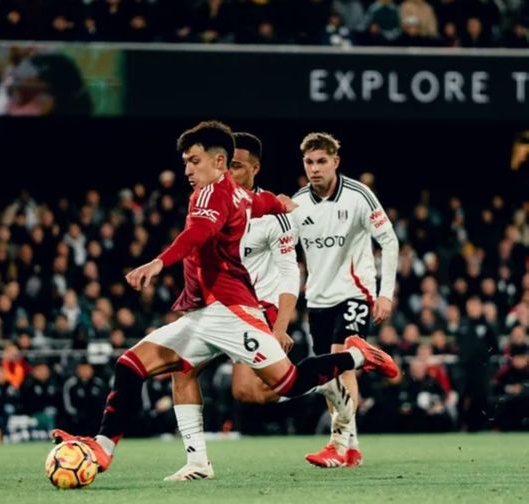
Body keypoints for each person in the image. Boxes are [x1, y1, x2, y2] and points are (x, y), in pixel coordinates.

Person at [50, 121, 399, 476]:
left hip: (232, 312)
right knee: (131, 366)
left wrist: (158, 262)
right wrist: (278, 203)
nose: (187, 169)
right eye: (186, 161)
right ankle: (119, 449)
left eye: (194, 161)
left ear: (219, 162)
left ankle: (358, 355)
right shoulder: (235, 192)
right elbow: (256, 201)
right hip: (204, 313)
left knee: (287, 383)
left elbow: (197, 233)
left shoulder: (210, 194)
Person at [163, 131, 309, 481]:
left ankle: (321, 381)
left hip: (257, 309)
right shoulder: (211, 199)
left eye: (238, 167)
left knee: (246, 390)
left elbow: (290, 274)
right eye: (227, 165)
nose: (230, 172)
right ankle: (197, 462)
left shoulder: (273, 216)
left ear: (255, 168)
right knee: (182, 369)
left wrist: (281, 327)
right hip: (218, 307)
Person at [291, 132, 399, 468]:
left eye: (322, 161)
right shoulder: (298, 204)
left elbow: (390, 241)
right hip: (318, 299)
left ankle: (337, 444)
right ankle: (351, 447)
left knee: (339, 358)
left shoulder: (358, 195)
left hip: (355, 292)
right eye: (309, 162)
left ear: (336, 162)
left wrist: (385, 294)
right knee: (327, 376)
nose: (315, 168)